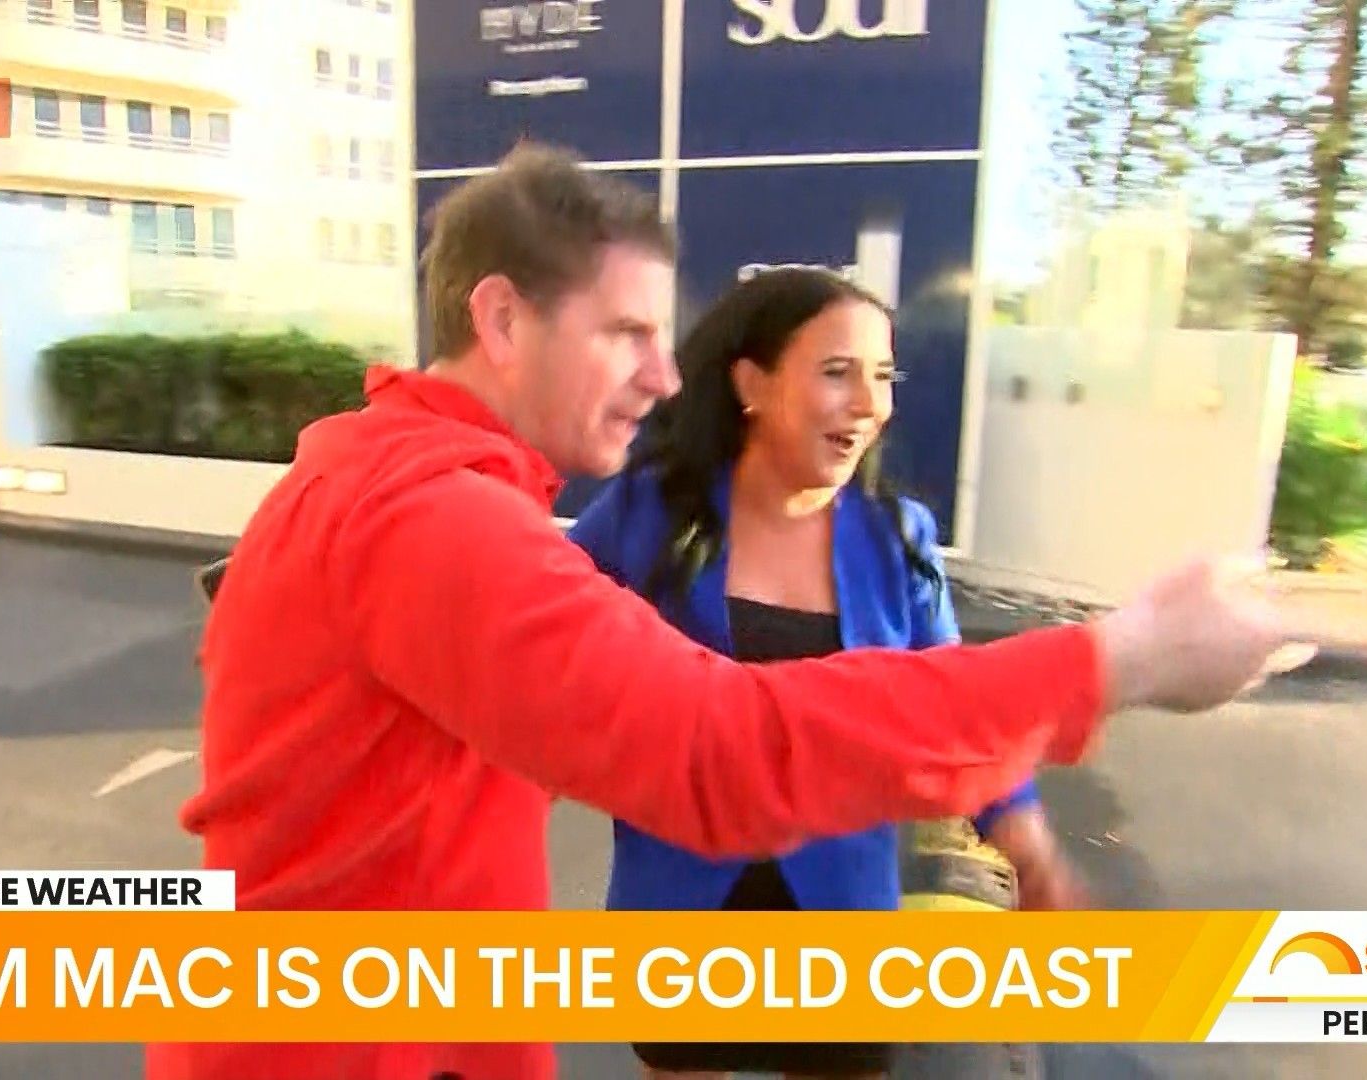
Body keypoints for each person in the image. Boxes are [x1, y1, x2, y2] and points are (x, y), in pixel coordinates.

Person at [146, 142, 1299, 1080]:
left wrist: (1025, 840)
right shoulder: (432, 518)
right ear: (500, 321)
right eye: (627, 334)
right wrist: (1123, 658)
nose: (662, 376)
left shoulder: (399, 488)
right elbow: (720, 749)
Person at [566, 267, 1081, 1079]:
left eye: (884, 376)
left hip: (844, 909)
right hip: (683, 904)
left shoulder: (898, 538)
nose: (870, 404)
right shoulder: (649, 515)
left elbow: (959, 707)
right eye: (838, 372)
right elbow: (534, 646)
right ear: (752, 384)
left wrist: (1024, 835)